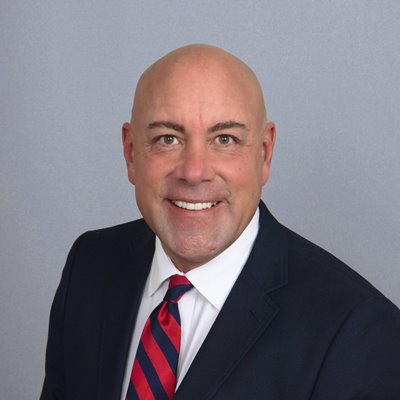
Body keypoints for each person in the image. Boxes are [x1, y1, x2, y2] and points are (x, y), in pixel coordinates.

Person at [40, 44, 400, 400]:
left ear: (264, 154)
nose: (194, 172)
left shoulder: (358, 331)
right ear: (131, 152)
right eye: (168, 139)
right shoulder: (90, 265)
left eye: (224, 139)